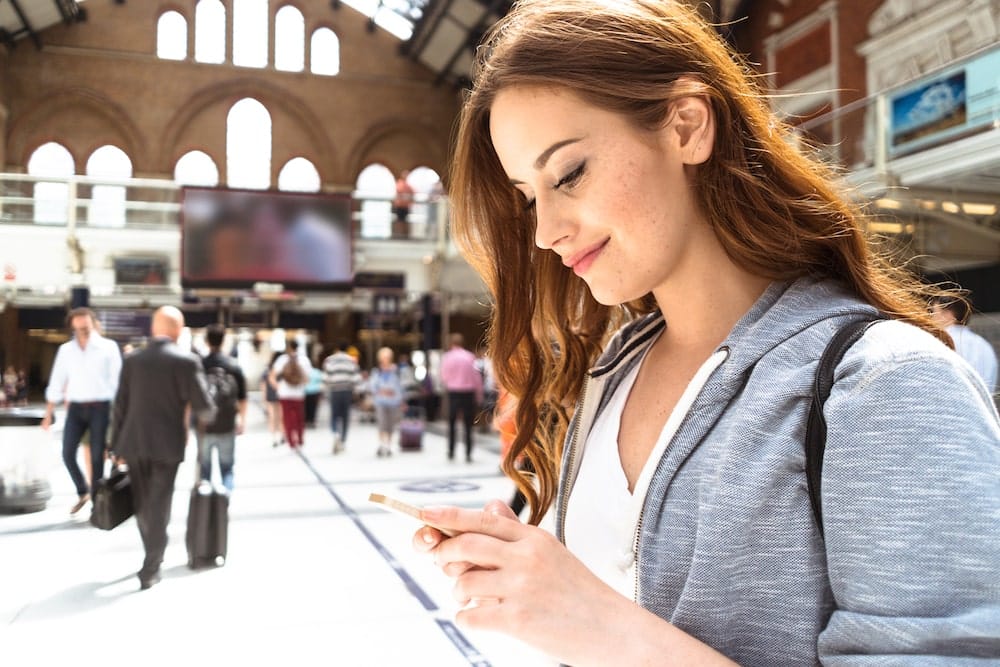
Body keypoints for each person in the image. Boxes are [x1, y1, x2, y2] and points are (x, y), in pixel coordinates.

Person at [411, 2, 1000, 665]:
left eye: (569, 174)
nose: (546, 231)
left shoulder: (885, 385)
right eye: (528, 196)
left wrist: (599, 623)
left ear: (687, 125)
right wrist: (529, 570)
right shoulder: (613, 374)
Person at [111, 306, 214, 590]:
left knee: (144, 503)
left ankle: (152, 554)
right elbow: (205, 408)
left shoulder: (133, 360)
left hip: (133, 442)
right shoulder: (187, 361)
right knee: (159, 502)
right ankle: (152, 564)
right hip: (168, 444)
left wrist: (115, 445)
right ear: (178, 331)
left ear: (154, 329)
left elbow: (120, 405)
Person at [41, 307, 122, 515]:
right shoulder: (66, 351)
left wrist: (119, 414)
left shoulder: (108, 347)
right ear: (73, 327)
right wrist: (48, 412)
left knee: (96, 458)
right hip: (76, 408)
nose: (83, 331)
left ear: (93, 324)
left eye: (86, 327)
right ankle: (82, 491)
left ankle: (97, 503)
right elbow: (57, 381)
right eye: (79, 328)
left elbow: (117, 382)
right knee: (67, 453)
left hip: (100, 407)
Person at [197, 323, 247, 492]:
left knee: (204, 471)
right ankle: (224, 501)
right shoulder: (234, 366)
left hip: (204, 425)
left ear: (206, 341)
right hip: (227, 423)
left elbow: (191, 398)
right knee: (227, 468)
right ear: (224, 340)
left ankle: (205, 507)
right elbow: (242, 398)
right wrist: (242, 420)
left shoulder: (199, 365)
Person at [929, 293, 998, 393]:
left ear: (948, 315)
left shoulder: (939, 343)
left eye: (933, 312)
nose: (931, 318)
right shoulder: (984, 344)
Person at [439, 333, 483, 462]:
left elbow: (444, 376)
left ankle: (451, 451)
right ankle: (468, 453)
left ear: (451, 343)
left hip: (454, 393)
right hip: (468, 393)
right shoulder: (470, 357)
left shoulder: (447, 357)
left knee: (452, 423)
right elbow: (476, 378)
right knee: (468, 425)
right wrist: (479, 395)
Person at [268, 339, 312, 449]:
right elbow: (307, 378)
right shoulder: (304, 360)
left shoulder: (282, 359)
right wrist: (300, 384)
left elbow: (271, 377)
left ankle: (291, 442)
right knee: (299, 417)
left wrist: (278, 387)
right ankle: (300, 439)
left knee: (287, 417)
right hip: (299, 394)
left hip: (284, 393)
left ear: (288, 347)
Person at [322, 340, 361, 454]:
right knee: (345, 416)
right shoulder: (351, 361)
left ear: (337, 348)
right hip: (347, 391)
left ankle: (335, 433)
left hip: (334, 391)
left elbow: (325, 378)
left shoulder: (330, 360)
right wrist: (356, 392)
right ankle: (343, 440)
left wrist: (326, 389)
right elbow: (356, 379)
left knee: (334, 414)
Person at [369, 346, 403, 458]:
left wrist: (399, 399)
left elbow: (399, 387)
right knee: (382, 423)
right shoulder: (377, 372)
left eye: (387, 357)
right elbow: (373, 386)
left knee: (390, 425)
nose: (385, 359)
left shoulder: (396, 371)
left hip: (393, 402)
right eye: (383, 357)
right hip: (380, 402)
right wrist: (382, 391)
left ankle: (388, 445)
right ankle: (382, 445)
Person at [262, 351, 284, 447]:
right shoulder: (282, 369)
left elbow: (263, 385)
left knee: (272, 416)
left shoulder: (268, 370)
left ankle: (274, 437)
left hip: (271, 395)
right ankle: (282, 435)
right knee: (280, 416)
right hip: (281, 394)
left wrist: (264, 396)